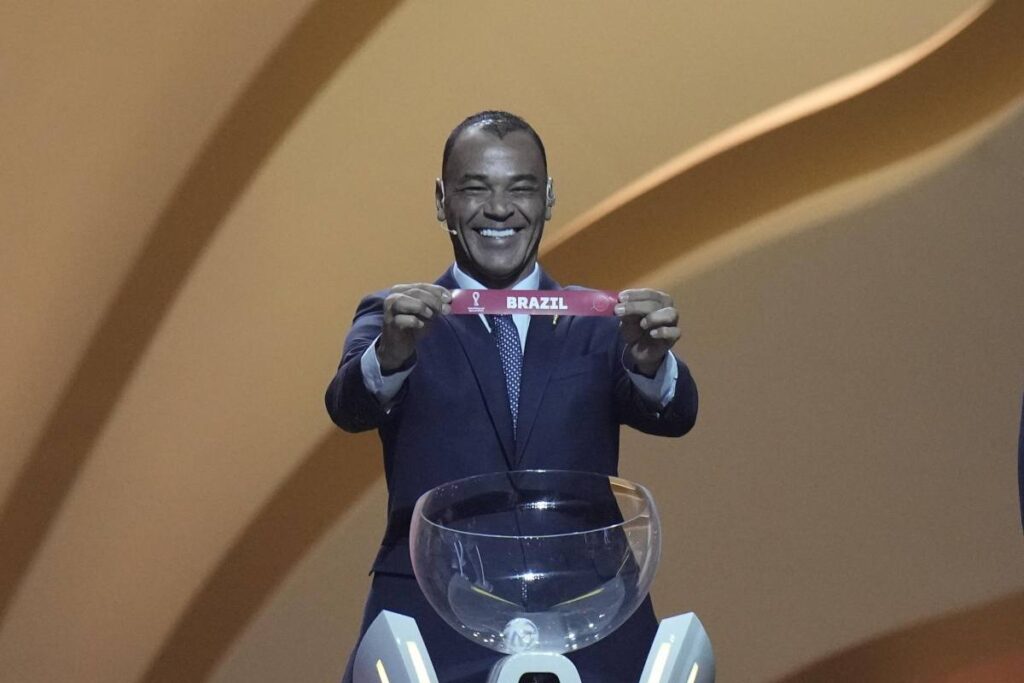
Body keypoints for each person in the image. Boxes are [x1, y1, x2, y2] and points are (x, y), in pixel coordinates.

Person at [326, 111, 699, 682]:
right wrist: (394, 352)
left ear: (548, 198)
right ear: (442, 200)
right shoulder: (395, 317)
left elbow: (676, 414)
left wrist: (650, 362)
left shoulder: (601, 321)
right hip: (435, 628)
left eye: (520, 188)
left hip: (593, 623)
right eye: (476, 189)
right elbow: (349, 406)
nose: (499, 209)